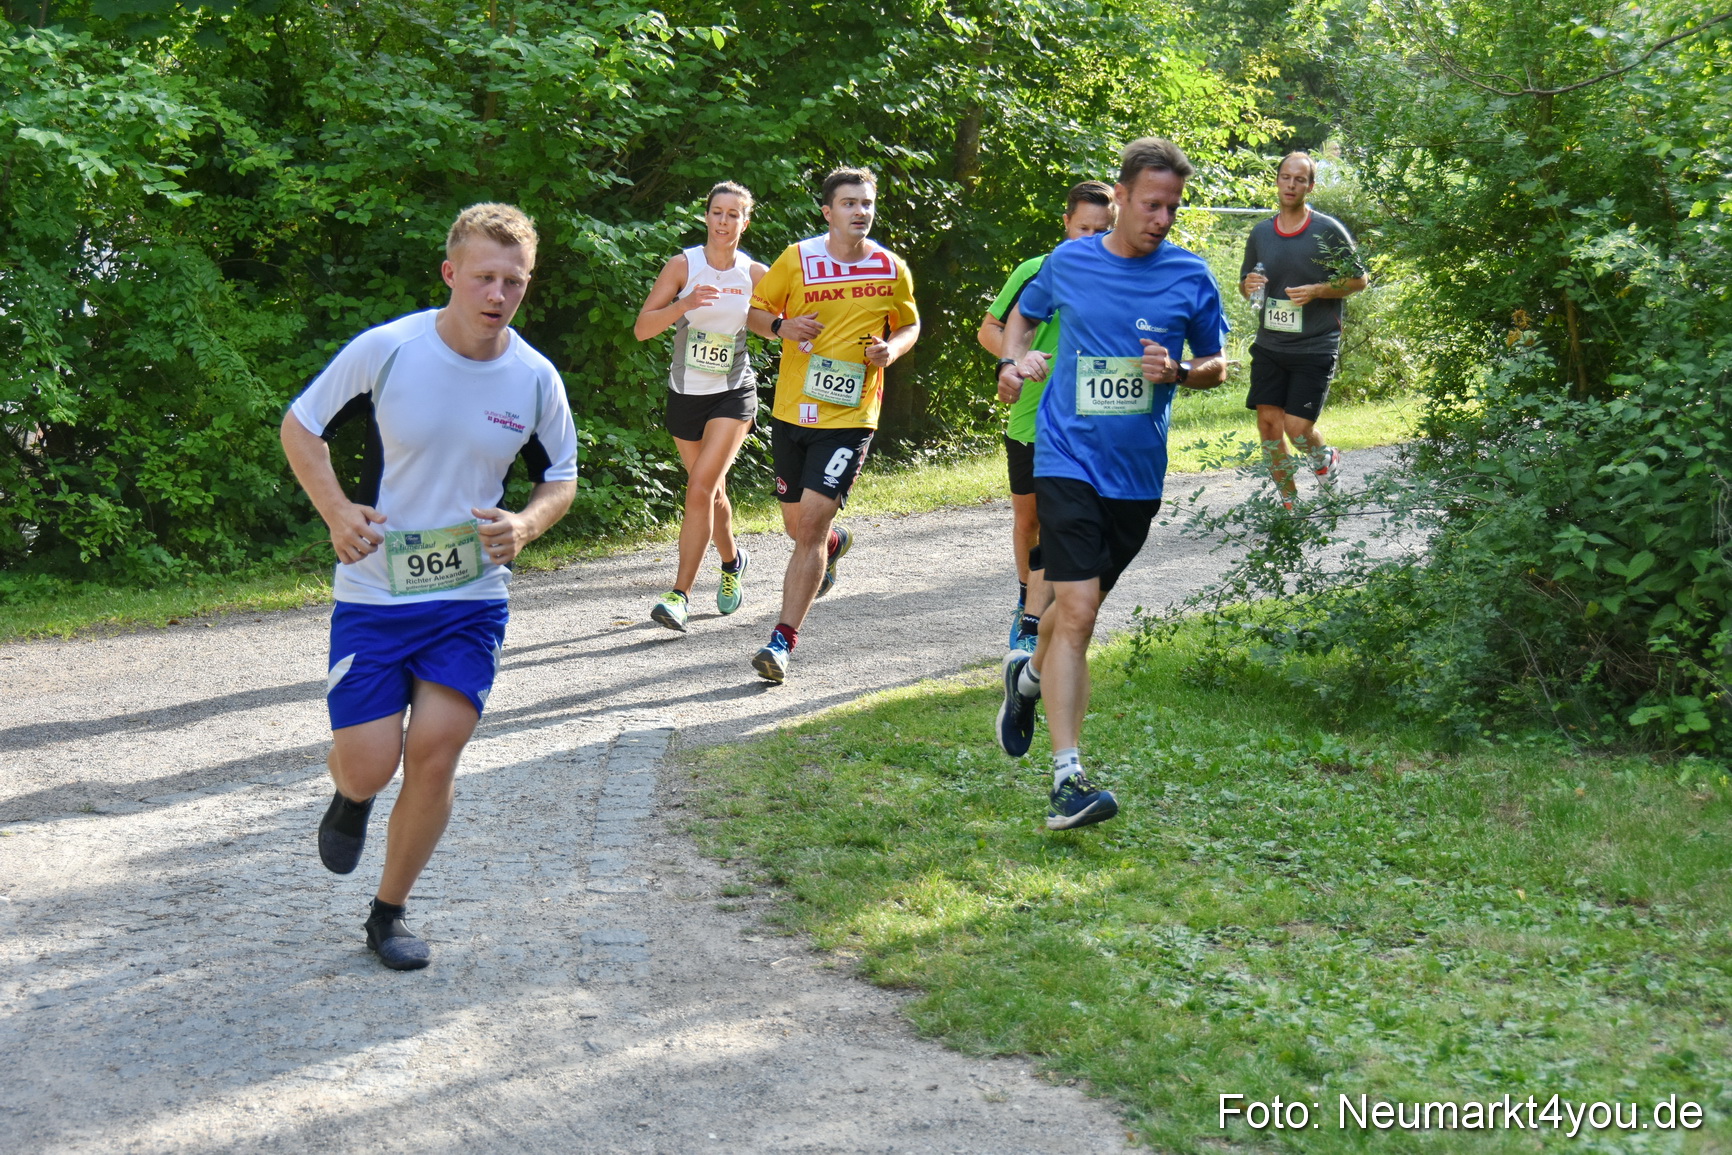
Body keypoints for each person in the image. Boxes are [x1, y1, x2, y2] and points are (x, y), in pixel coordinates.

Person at [280, 203, 578, 970]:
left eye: (514, 280)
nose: (498, 293)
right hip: (377, 593)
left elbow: (562, 477)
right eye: (484, 276)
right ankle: (351, 797)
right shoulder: (390, 349)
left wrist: (527, 524)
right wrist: (338, 511)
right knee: (371, 760)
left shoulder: (535, 376)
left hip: (469, 597)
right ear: (451, 274)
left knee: (438, 752)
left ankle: (389, 913)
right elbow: (300, 425)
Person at [994, 138, 1227, 830]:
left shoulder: (1191, 274)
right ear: (1121, 197)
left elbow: (1217, 362)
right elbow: (1023, 317)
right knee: (1081, 611)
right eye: (1152, 204)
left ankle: (1028, 679)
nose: (1162, 218)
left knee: (1072, 615)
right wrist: (1015, 359)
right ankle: (1068, 779)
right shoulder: (1069, 262)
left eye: (1172, 207)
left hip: (1136, 476)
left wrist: (1181, 373)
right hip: (1065, 459)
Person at [744, 167, 920, 683]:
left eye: (867, 203)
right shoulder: (797, 259)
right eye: (849, 203)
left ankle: (781, 641)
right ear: (828, 211)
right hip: (792, 410)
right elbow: (754, 314)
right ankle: (835, 545)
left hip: (851, 415)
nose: (860, 211)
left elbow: (909, 322)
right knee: (798, 528)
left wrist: (893, 348)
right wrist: (782, 326)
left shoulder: (891, 267)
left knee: (810, 527)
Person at [977, 180, 1117, 654]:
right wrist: (1016, 362)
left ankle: (1040, 616)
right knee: (1029, 518)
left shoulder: (1121, 279)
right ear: (1065, 224)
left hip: (1090, 422)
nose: (1091, 239)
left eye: (1102, 230)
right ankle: (1026, 597)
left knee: (1069, 518)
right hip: (1031, 417)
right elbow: (991, 329)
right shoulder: (1038, 270)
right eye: (1083, 228)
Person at [633, 181, 768, 632]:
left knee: (699, 489)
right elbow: (642, 328)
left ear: (744, 222)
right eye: (717, 212)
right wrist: (685, 303)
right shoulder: (682, 265)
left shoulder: (753, 275)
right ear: (706, 217)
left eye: (734, 214)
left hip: (733, 393)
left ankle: (679, 595)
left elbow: (778, 321)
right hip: (685, 393)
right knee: (711, 492)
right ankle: (733, 562)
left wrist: (799, 333)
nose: (724, 221)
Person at [1237, 151, 1368, 506]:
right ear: (1277, 180)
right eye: (1286, 177)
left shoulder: (1327, 229)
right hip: (1270, 344)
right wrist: (1248, 285)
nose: (1291, 185)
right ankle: (1290, 505)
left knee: (1296, 429)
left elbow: (1359, 280)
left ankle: (1326, 459)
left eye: (1300, 179)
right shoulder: (1261, 232)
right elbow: (1245, 282)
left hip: (1315, 345)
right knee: (1268, 426)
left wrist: (1318, 291)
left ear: (1310, 186)